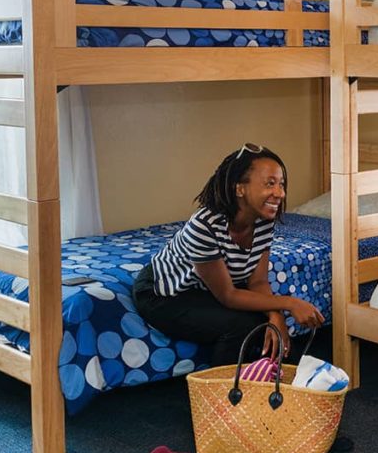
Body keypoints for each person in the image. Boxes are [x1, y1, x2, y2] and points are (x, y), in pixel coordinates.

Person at [133, 143, 324, 367]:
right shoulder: (204, 226)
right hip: (164, 294)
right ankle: (225, 396)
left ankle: (281, 382)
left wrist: (275, 314)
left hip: (205, 290)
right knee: (241, 325)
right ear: (239, 188)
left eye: (281, 184)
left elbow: (258, 281)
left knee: (266, 323)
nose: (280, 193)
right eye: (270, 184)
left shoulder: (263, 221)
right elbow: (228, 296)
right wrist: (289, 303)